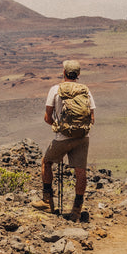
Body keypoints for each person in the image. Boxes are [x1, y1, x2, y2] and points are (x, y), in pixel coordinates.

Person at [33, 60, 95, 221]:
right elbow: (92, 118)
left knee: (46, 162)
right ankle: (76, 210)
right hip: (82, 138)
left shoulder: (55, 89)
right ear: (78, 75)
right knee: (80, 172)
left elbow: (47, 117)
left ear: (64, 73)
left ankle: (47, 201)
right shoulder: (86, 90)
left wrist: (60, 127)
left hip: (62, 138)